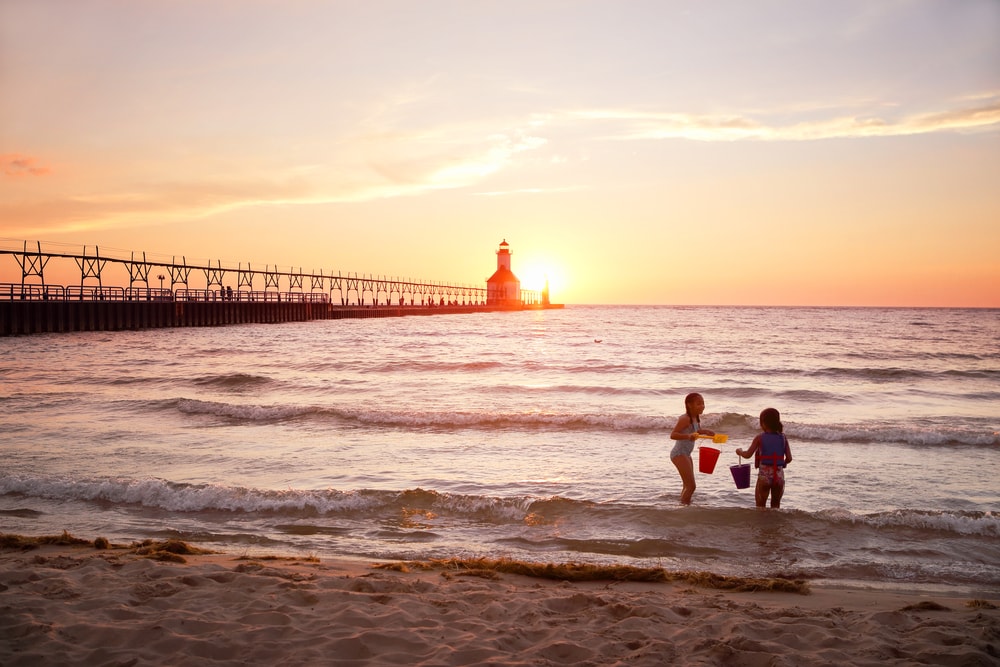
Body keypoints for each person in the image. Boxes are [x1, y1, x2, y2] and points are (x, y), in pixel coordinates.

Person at [737, 408, 793, 508]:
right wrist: (783, 463)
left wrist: (740, 452)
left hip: (764, 477)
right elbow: (789, 458)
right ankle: (774, 523)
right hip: (779, 476)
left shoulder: (760, 437)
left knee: (760, 506)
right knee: (776, 505)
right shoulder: (783, 437)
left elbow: (748, 454)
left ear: (763, 423)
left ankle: (762, 523)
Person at [669, 392, 715, 505]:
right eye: (699, 403)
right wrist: (688, 436)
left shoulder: (695, 418)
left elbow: (696, 431)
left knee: (687, 485)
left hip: (686, 454)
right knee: (691, 486)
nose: (702, 406)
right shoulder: (685, 419)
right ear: (689, 405)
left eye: (703, 403)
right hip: (679, 453)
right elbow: (673, 435)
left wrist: (705, 432)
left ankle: (684, 506)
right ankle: (685, 507)